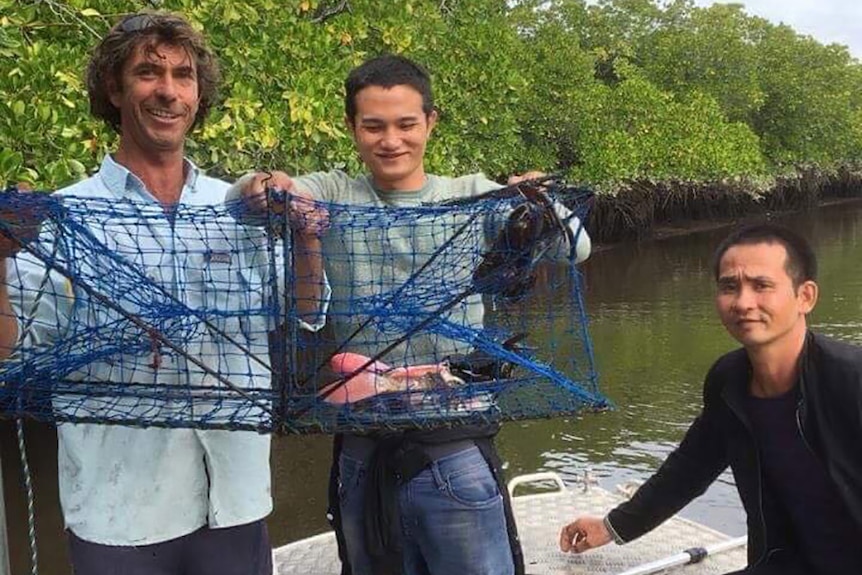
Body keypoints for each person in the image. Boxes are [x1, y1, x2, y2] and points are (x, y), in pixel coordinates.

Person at [230, 54, 591, 575]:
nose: (391, 140)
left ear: (430, 122)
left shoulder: (471, 195)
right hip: (362, 447)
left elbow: (576, 248)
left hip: (454, 443)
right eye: (373, 126)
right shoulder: (333, 192)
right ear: (352, 127)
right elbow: (239, 202)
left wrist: (541, 202)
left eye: (405, 124)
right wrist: (268, 186)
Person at [0, 11, 326, 574]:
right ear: (114, 87)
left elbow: (304, 310)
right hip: (117, 514)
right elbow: (11, 352)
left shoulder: (240, 206)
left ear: (200, 94)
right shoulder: (64, 215)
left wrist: (306, 233)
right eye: (149, 72)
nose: (168, 91)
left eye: (183, 75)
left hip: (235, 501)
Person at [559, 223, 862, 574]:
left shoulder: (849, 380)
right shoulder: (729, 381)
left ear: (805, 296)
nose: (744, 302)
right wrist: (611, 527)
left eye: (762, 286)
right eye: (729, 287)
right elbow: (690, 469)